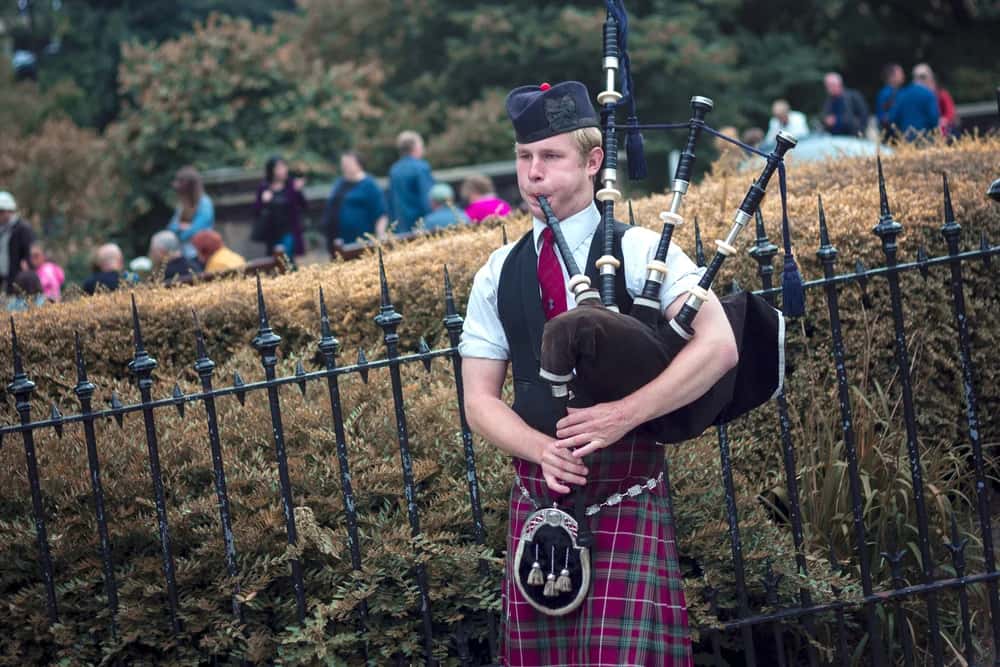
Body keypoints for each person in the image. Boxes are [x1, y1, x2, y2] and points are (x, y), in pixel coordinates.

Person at [460, 81, 738, 665]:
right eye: (523, 157)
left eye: (551, 157)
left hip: (625, 492)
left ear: (592, 163)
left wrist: (624, 414)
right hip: (540, 504)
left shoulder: (638, 250)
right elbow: (479, 401)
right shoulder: (497, 273)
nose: (534, 174)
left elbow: (718, 345)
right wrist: (540, 448)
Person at [320, 151, 388, 253]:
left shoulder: (369, 185)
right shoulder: (340, 184)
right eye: (343, 164)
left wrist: (380, 236)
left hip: (362, 243)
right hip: (340, 242)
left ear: (359, 164)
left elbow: (381, 213)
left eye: (348, 164)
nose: (345, 167)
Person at [253, 156, 308, 258]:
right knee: (278, 262)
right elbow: (256, 211)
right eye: (279, 168)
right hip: (272, 233)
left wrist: (298, 191)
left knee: (285, 258)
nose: (283, 171)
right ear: (271, 170)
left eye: (284, 167)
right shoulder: (264, 187)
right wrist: (263, 201)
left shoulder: (291, 184)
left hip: (289, 231)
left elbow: (303, 205)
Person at [388, 130, 434, 233]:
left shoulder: (394, 169)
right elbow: (427, 198)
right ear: (415, 147)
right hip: (421, 225)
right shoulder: (420, 168)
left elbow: (391, 201)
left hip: (401, 227)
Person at [167, 166, 215, 265]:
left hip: (201, 254)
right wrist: (182, 227)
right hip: (184, 253)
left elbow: (197, 229)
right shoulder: (182, 205)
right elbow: (171, 227)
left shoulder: (205, 203)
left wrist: (182, 231)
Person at [888, 64, 940, 141]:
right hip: (925, 139)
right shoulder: (929, 94)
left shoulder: (902, 94)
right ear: (927, 78)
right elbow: (934, 119)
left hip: (906, 139)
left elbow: (893, 118)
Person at [0, 191, 36, 295]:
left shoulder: (23, 228)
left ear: (8, 211)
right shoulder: (2, 229)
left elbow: (30, 254)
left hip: (17, 279)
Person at [914, 63, 957, 137]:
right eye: (920, 78)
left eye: (924, 77)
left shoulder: (942, 94)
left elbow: (950, 112)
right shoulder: (915, 96)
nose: (922, 81)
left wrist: (943, 120)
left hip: (941, 132)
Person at [822, 72, 869, 136]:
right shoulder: (829, 101)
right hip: (835, 137)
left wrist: (836, 120)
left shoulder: (853, 97)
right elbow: (825, 119)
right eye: (827, 86)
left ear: (838, 84)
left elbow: (864, 116)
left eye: (829, 85)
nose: (828, 88)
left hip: (853, 136)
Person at [875, 63, 905, 139]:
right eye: (900, 74)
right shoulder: (886, 93)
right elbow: (882, 116)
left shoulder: (900, 92)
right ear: (892, 76)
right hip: (891, 134)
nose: (903, 76)